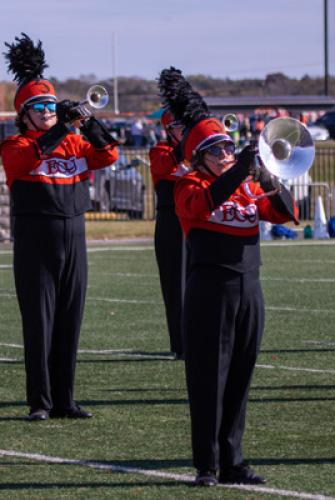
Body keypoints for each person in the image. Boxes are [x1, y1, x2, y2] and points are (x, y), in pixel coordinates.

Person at [169, 69, 298, 486]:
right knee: (209, 378)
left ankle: (233, 459)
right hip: (211, 290)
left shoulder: (244, 188)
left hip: (250, 288)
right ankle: (207, 464)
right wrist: (237, 170)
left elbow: (286, 215)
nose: (225, 153)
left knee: (240, 377)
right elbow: (204, 204)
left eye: (227, 147)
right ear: (198, 157)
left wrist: (266, 176)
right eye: (216, 149)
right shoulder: (187, 184)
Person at [0, 34, 118, 421]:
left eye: (51, 104)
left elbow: (109, 154)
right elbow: (28, 158)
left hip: (75, 237)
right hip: (36, 241)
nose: (48, 110)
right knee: (39, 322)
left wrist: (89, 120)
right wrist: (61, 128)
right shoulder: (15, 143)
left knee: (70, 319)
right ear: (24, 114)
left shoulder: (73, 143)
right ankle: (40, 400)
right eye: (40, 106)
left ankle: (65, 399)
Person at [149, 68, 191, 357]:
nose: (184, 130)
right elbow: (166, 166)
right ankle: (180, 344)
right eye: (178, 126)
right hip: (171, 223)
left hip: (196, 223)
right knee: (175, 286)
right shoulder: (161, 151)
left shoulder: (200, 152)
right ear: (168, 129)